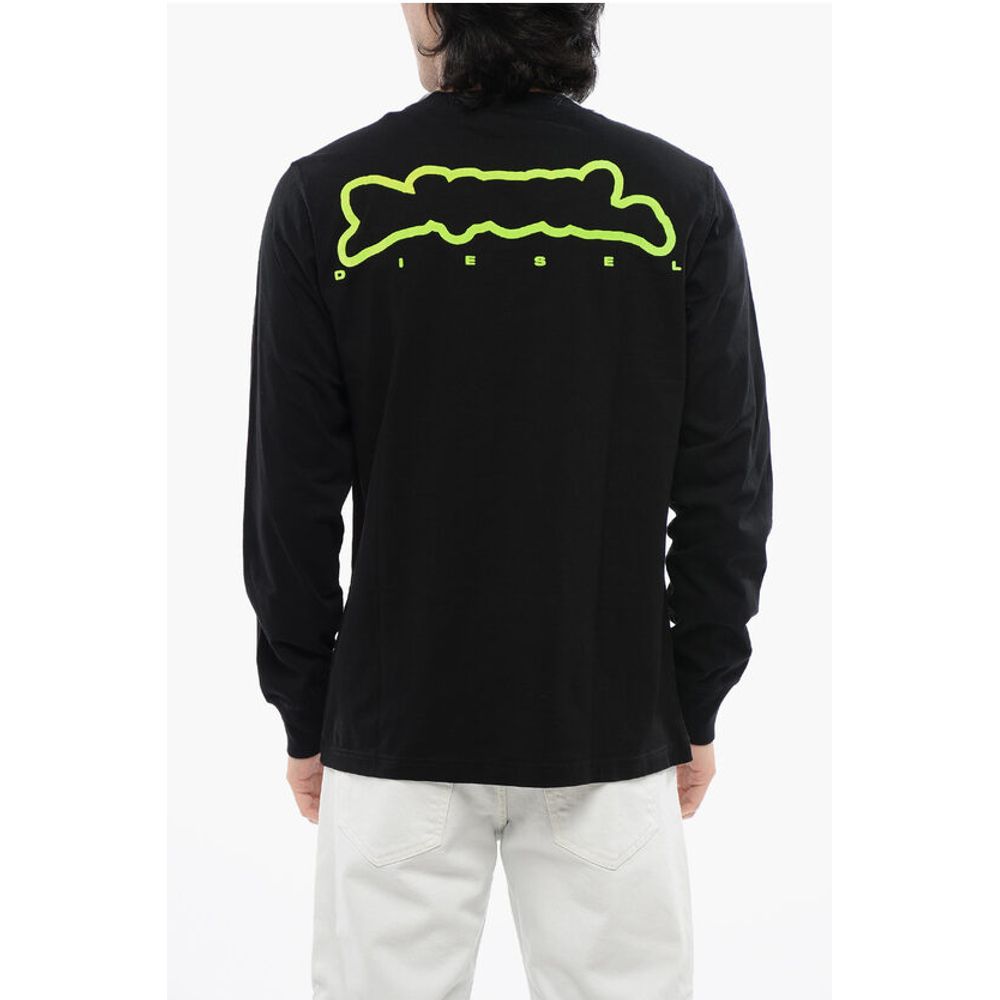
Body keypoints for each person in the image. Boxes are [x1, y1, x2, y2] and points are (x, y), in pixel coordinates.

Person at [242, 4, 772, 997]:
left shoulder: (325, 196)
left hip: (395, 730)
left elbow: (289, 502)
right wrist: (693, 694)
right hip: (608, 724)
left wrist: (306, 710)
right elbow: (725, 489)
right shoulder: (678, 198)